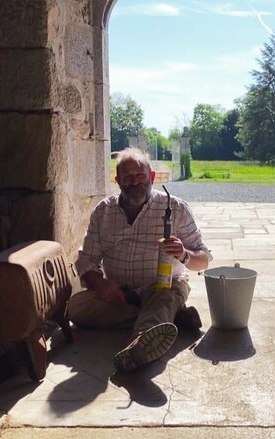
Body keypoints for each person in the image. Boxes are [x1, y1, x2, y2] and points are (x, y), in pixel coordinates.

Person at [68, 147, 212, 372]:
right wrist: (100, 283)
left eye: (140, 176)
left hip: (164, 286)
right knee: (75, 309)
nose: (134, 182)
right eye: (127, 177)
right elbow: (86, 261)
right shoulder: (103, 212)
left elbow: (203, 259)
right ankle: (170, 318)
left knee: (162, 299)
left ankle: (137, 347)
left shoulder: (175, 208)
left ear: (152, 177)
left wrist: (184, 254)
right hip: (120, 294)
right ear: (117, 181)